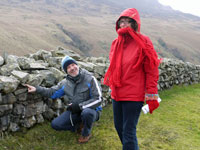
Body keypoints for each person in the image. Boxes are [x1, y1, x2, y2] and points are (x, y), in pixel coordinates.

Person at [103, 8, 160, 150]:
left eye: (128, 21)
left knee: (128, 132)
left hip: (133, 95)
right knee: (119, 128)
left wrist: (151, 93)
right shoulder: (115, 43)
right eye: (121, 22)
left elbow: (151, 69)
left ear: (135, 23)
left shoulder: (143, 42)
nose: (124, 25)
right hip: (117, 93)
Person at [25, 56, 102, 143]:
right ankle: (79, 126)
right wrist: (37, 89)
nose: (72, 68)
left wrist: (80, 106)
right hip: (75, 110)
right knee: (55, 125)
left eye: (73, 65)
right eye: (68, 67)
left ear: (77, 65)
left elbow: (98, 99)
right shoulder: (65, 83)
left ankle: (85, 134)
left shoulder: (90, 79)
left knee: (87, 113)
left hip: (92, 110)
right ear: (66, 71)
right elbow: (52, 92)